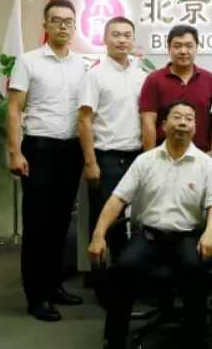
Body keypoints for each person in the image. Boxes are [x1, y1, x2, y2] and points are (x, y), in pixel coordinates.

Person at [88, 100, 212, 349]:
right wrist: (99, 234)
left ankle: (197, 338)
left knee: (195, 270)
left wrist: (210, 233)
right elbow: (118, 199)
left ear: (195, 128)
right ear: (164, 125)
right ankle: (114, 339)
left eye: (189, 119)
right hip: (148, 237)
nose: (182, 123)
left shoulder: (206, 164)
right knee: (124, 268)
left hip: (187, 237)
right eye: (177, 117)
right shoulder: (145, 161)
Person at [7, 0, 87, 321]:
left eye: (68, 21)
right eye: (56, 20)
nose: (63, 26)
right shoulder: (28, 61)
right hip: (39, 149)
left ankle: (54, 286)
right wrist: (15, 151)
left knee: (60, 223)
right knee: (37, 226)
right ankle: (36, 296)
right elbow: (14, 109)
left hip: (71, 150)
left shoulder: (82, 64)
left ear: (74, 26)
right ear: (45, 25)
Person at [78, 16, 147, 279]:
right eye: (116, 34)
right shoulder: (94, 75)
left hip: (136, 157)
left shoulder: (141, 75)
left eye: (127, 35)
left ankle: (127, 278)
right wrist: (90, 162)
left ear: (133, 40)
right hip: (105, 157)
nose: (121, 40)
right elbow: (84, 120)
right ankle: (102, 282)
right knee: (106, 221)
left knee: (136, 220)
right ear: (105, 38)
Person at [139, 24, 212, 154]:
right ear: (168, 48)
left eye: (189, 46)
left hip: (202, 156)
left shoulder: (209, 80)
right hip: (164, 156)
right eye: (177, 46)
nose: (183, 51)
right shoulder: (154, 80)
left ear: (196, 48)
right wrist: (150, 159)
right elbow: (148, 122)